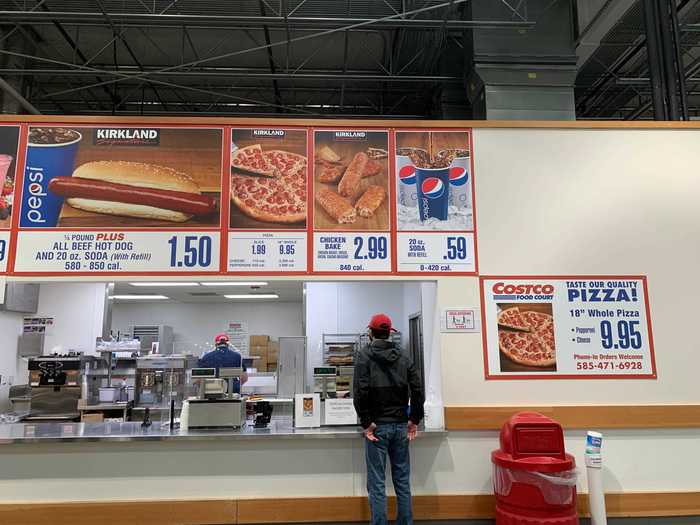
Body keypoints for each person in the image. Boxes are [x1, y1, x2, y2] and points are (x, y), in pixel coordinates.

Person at [353, 313, 425, 525]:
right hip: (401, 426)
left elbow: (359, 392)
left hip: (377, 429)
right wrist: (414, 418)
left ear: (370, 333)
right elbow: (418, 389)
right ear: (390, 333)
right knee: (402, 480)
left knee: (376, 482)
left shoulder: (364, 356)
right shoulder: (403, 357)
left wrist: (366, 422)